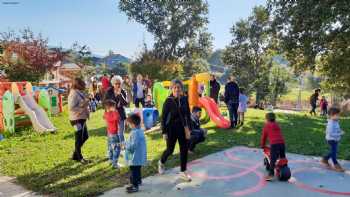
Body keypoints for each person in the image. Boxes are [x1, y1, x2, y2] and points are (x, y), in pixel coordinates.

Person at [158, 79, 192, 182]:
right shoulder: (169, 101)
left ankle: (183, 171)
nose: (177, 89)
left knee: (184, 149)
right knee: (170, 150)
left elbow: (187, 114)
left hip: (183, 128)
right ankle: (161, 162)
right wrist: (164, 132)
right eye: (175, 87)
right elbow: (163, 118)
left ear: (182, 89)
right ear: (172, 88)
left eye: (179, 87)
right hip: (171, 129)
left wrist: (189, 128)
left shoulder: (185, 99)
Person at [68, 78, 90, 164]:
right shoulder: (73, 94)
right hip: (76, 120)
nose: (84, 86)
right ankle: (79, 158)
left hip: (81, 119)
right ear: (78, 85)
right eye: (83, 85)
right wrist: (83, 105)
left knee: (85, 136)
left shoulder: (78, 92)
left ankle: (75, 155)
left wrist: (85, 102)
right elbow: (71, 108)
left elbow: (81, 103)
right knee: (79, 138)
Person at [124, 113, 147, 193]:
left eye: (129, 124)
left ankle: (135, 185)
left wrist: (126, 146)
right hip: (139, 155)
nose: (129, 126)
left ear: (133, 124)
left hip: (135, 156)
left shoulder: (135, 133)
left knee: (134, 170)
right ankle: (138, 181)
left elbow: (133, 145)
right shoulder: (139, 131)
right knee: (137, 169)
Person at [261, 112, 286, 181]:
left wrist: (262, 145)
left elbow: (264, 137)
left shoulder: (266, 126)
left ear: (267, 119)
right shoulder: (277, 125)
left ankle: (271, 174)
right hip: (282, 143)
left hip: (274, 144)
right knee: (282, 157)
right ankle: (284, 167)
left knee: (273, 159)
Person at [104, 75, 129, 144]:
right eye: (116, 83)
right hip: (111, 115)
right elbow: (106, 102)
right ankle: (113, 149)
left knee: (121, 133)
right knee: (112, 133)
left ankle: (123, 149)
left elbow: (125, 103)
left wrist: (120, 94)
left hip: (121, 114)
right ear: (113, 84)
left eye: (119, 83)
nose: (118, 85)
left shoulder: (123, 91)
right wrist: (114, 95)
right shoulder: (109, 91)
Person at [320, 107, 345, 172]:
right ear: (331, 115)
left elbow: (337, 129)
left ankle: (325, 159)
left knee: (333, 151)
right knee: (334, 153)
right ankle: (336, 165)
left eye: (339, 115)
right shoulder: (331, 124)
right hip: (331, 139)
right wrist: (339, 134)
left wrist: (340, 131)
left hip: (335, 139)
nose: (339, 116)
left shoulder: (335, 121)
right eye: (337, 115)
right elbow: (331, 134)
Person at [103, 100, 121, 168]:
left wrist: (112, 111)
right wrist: (114, 111)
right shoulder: (111, 114)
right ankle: (115, 163)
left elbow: (104, 116)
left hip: (109, 133)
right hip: (114, 133)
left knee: (110, 147)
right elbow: (117, 118)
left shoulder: (106, 113)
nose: (115, 108)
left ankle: (111, 160)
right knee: (117, 148)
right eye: (114, 106)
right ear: (110, 107)